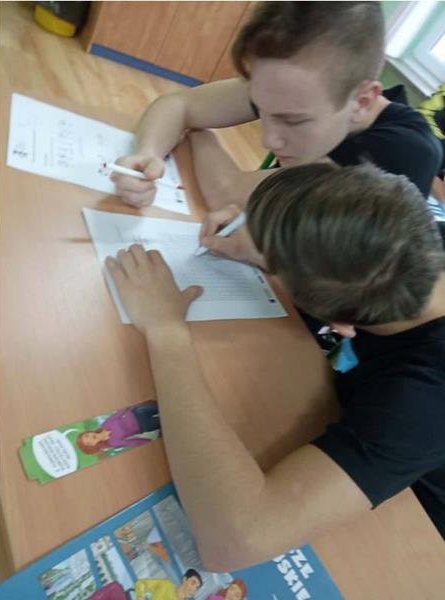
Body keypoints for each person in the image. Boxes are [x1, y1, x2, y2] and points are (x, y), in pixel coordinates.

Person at [105, 163, 445, 571]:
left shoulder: (421, 399)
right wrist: (269, 248)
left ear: (338, 325)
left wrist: (165, 330)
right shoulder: (416, 249)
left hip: (415, 524)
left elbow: (235, 540)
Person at [112, 1, 442, 244]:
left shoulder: (399, 151)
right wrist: (148, 154)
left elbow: (229, 194)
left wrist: (198, 132)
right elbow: (177, 103)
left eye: (292, 121)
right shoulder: (294, 90)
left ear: (363, 101)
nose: (268, 140)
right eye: (262, 108)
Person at [76, 401, 160, 454]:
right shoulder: (113, 443)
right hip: (144, 425)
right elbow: (131, 442)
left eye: (87, 435)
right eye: (89, 442)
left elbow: (119, 413)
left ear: (88, 432)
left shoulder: (105, 424)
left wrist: (131, 405)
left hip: (138, 412)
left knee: (162, 405)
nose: (90, 438)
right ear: (93, 446)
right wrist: (148, 442)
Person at [135, 569, 203, 600]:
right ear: (184, 579)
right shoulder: (166, 585)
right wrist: (140, 597)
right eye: (193, 583)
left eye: (197, 588)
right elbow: (141, 584)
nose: (193, 589)